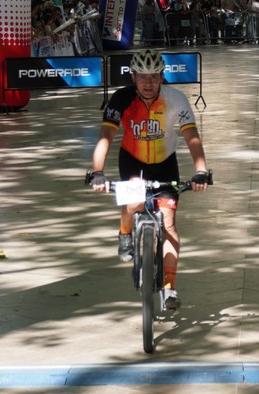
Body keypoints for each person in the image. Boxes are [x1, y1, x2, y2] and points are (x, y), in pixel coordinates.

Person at [88, 48, 210, 312]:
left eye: (154, 76)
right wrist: (97, 172)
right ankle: (124, 232)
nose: (148, 82)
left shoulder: (175, 99)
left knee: (168, 222)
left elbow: (192, 137)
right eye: (142, 76)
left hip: (165, 164)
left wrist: (201, 170)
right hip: (132, 161)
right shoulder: (121, 99)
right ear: (133, 77)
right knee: (133, 204)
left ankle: (169, 288)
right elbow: (105, 138)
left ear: (162, 76)